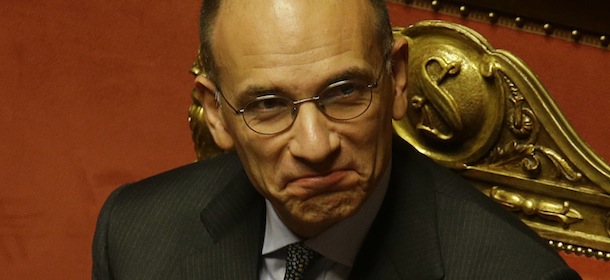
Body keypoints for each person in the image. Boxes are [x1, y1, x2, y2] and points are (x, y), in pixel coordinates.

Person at [92, 0, 582, 279]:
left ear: (397, 79)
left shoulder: (518, 276)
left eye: (345, 92)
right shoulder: (134, 236)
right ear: (216, 114)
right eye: (268, 104)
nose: (314, 145)